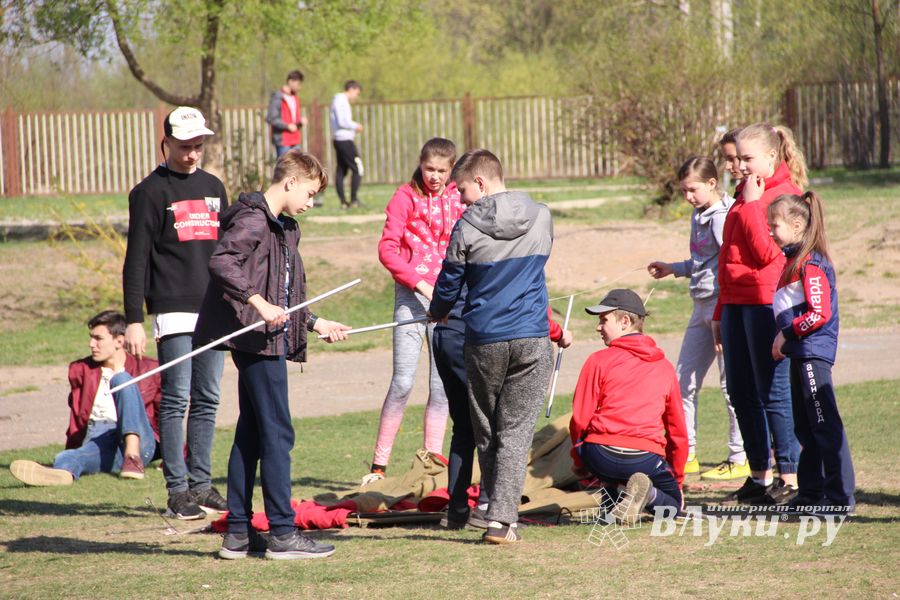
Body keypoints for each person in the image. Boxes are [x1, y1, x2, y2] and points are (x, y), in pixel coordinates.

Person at [194, 150, 351, 560]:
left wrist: (315, 323)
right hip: (257, 341)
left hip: (270, 338)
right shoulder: (252, 219)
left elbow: (285, 294)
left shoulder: (284, 228)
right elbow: (223, 262)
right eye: (311, 193)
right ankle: (283, 532)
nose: (311, 202)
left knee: (252, 433)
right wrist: (258, 303)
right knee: (279, 433)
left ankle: (239, 534)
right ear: (290, 182)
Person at [428, 149, 554, 544]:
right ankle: (502, 520)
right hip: (532, 337)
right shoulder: (543, 216)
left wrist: (438, 311)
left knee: (487, 429)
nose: (461, 199)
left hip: (483, 340)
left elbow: (449, 283)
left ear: (480, 183)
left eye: (463, 190)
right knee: (515, 431)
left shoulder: (465, 227)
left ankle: (490, 510)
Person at [122, 106, 228, 520]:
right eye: (185, 147)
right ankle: (177, 490)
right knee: (176, 398)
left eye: (198, 146)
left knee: (208, 398)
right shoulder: (149, 192)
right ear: (165, 142)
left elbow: (225, 252)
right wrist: (134, 318)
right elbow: (137, 261)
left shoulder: (214, 186)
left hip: (214, 310)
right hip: (172, 309)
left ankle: (201, 484)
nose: (192, 155)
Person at [712, 122, 807, 505]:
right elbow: (729, 256)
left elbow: (771, 254)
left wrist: (753, 205)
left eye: (748, 158)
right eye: (737, 159)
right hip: (736, 303)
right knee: (740, 390)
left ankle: (789, 476)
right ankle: (758, 476)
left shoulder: (783, 195)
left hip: (765, 302)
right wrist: (720, 310)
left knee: (773, 391)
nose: (740, 166)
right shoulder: (745, 192)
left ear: (772, 156)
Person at [364, 138, 464, 485]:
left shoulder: (457, 197)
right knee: (404, 381)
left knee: (441, 387)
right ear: (420, 165)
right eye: (428, 169)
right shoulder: (404, 197)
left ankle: (431, 466)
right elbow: (387, 250)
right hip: (411, 298)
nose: (434, 176)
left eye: (441, 170)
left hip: (447, 300)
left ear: (452, 170)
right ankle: (378, 468)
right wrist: (419, 283)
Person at [433, 287, 572, 530]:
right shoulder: (515, 256)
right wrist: (558, 332)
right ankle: (487, 506)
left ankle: (456, 510)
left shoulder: (469, 248)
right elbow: (533, 309)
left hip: (445, 333)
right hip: (474, 335)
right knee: (495, 424)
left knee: (464, 429)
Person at [647, 156, 746, 481]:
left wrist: (722, 311)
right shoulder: (698, 214)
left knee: (730, 384)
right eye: (684, 191)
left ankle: (739, 456)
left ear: (712, 184)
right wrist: (673, 268)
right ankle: (686, 453)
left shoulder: (722, 217)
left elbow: (728, 266)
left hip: (723, 307)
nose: (688, 196)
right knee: (683, 381)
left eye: (693, 189)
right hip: (700, 305)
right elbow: (702, 261)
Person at [768, 192, 855, 515]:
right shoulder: (795, 261)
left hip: (812, 354)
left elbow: (819, 313)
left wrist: (785, 334)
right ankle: (811, 492)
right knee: (805, 427)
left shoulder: (812, 263)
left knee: (824, 425)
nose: (770, 232)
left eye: (774, 225)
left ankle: (839, 498)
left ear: (796, 224)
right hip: (799, 353)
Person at [569, 289, 688, 524]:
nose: (598, 327)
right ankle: (645, 493)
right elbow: (677, 430)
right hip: (644, 457)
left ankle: (614, 505)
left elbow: (580, 420)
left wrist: (580, 460)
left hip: (599, 455)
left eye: (604, 320)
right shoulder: (664, 367)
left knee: (612, 469)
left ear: (625, 322)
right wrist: (678, 479)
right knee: (674, 506)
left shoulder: (597, 360)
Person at [10, 311, 160, 486]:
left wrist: (179, 458)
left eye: (98, 338)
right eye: (91, 338)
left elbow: (166, 415)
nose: (91, 344)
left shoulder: (148, 369)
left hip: (140, 439)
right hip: (99, 439)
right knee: (68, 456)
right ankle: (62, 474)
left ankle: (132, 455)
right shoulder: (82, 370)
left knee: (121, 379)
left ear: (119, 341)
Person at [330, 80, 364, 208]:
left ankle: (344, 202)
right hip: (344, 140)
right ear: (351, 89)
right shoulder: (340, 100)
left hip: (341, 139)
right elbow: (342, 121)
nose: (356, 96)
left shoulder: (340, 100)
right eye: (357, 93)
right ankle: (353, 200)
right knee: (358, 168)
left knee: (342, 170)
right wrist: (356, 126)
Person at [266, 70, 308, 157]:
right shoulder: (277, 97)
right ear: (290, 81)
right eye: (298, 84)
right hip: (283, 140)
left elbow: (293, 118)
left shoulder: (295, 97)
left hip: (295, 140)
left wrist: (300, 121)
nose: (299, 87)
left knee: (297, 168)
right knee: (284, 168)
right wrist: (287, 126)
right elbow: (271, 118)